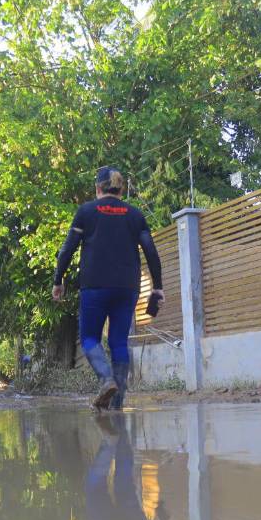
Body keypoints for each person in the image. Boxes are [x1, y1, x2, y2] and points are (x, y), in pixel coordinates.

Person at [53, 167, 164, 410]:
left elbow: (67, 248)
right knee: (119, 342)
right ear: (121, 189)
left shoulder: (86, 211)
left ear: (97, 188)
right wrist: (158, 287)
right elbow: (151, 251)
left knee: (89, 338)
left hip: (95, 285)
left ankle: (106, 379)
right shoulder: (135, 215)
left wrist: (58, 280)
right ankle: (117, 405)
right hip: (127, 287)